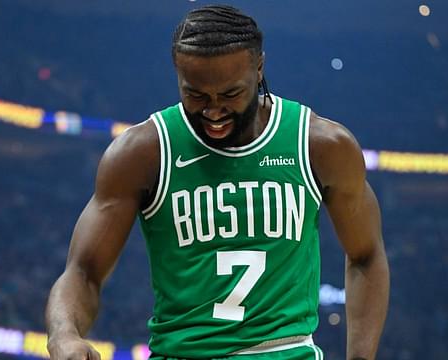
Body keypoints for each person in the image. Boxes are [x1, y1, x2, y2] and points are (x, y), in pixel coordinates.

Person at [45, 5, 389, 360]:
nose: (213, 111)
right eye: (196, 95)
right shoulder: (142, 153)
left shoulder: (319, 144)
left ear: (259, 69)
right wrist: (63, 335)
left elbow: (366, 254)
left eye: (229, 94)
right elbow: (83, 272)